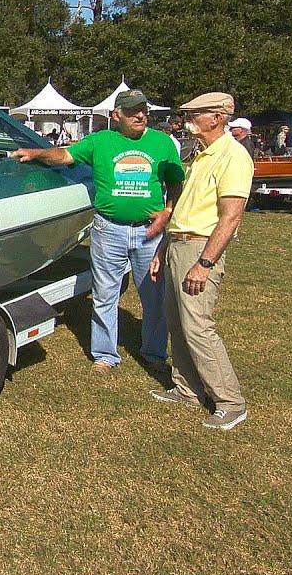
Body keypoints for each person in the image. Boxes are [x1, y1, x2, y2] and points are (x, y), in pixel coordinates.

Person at [12, 89, 185, 375]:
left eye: (143, 110)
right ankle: (105, 355)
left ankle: (154, 352)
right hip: (108, 229)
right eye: (132, 111)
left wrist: (168, 213)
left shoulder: (162, 142)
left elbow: (176, 183)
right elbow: (66, 155)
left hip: (148, 233)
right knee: (105, 294)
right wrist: (38, 153)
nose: (140, 115)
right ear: (116, 116)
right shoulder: (99, 141)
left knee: (154, 295)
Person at [149, 92, 253, 430]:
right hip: (179, 245)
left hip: (199, 249)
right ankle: (188, 390)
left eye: (197, 113)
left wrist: (204, 263)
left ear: (217, 118)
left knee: (198, 328)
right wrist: (163, 250)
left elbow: (231, 216)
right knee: (177, 322)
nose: (189, 117)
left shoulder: (232, 157)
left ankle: (231, 402)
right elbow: (185, 209)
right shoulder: (200, 155)